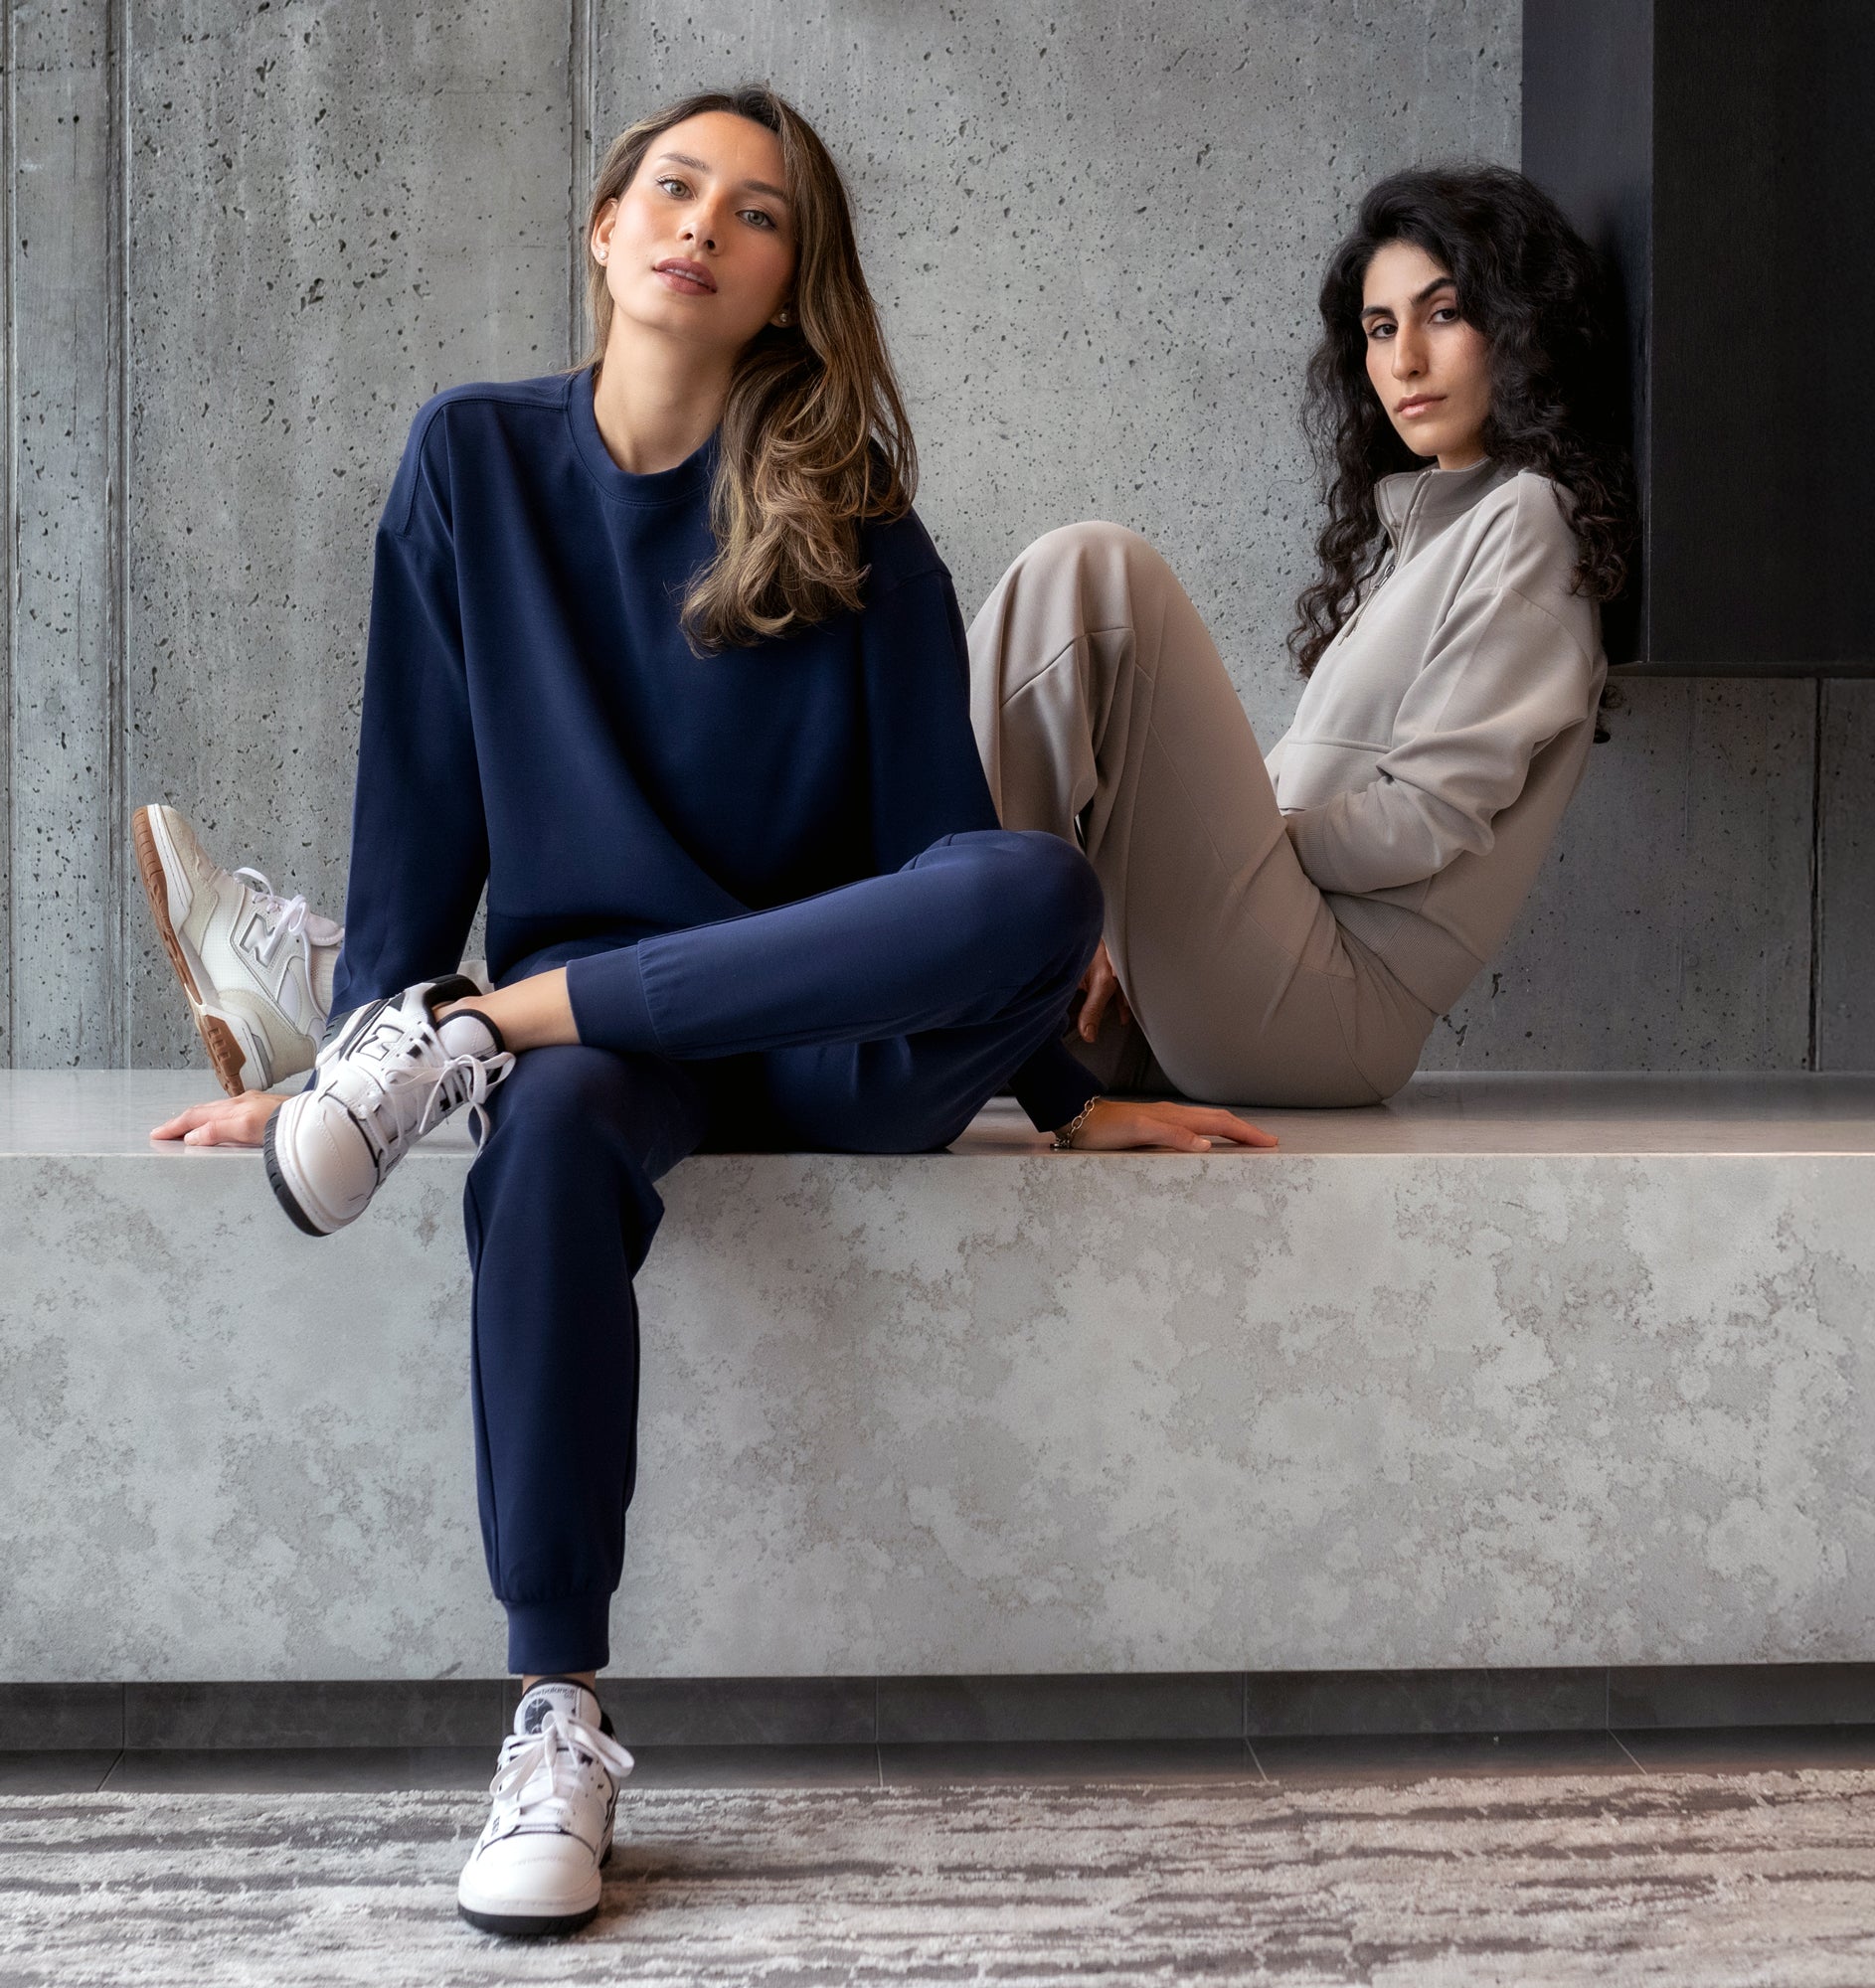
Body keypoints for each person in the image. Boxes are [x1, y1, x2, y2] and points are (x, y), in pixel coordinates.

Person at [142, 87, 1268, 1941]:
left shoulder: (853, 520)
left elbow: (949, 874)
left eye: (757, 214)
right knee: (546, 1144)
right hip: (607, 1064)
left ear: (787, 284)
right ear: (606, 226)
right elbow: (416, 807)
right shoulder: (470, 464)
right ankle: (554, 1721)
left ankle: (490, 1028)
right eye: (675, 189)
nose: (703, 228)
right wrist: (341, 1063)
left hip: (821, 1050)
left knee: (1038, 885)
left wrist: (1070, 1097)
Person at [968, 164, 1636, 1107]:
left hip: (1330, 1009)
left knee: (1092, 571)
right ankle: (980, 947)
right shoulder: (1411, 546)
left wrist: (1225, 861)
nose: (1405, 360)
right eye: (1380, 328)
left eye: (1444, 314)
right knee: (916, 1045)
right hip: (1261, 975)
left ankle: (980, 937)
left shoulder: (1530, 523)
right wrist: (1134, 924)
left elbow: (1425, 820)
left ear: (1521, 327)